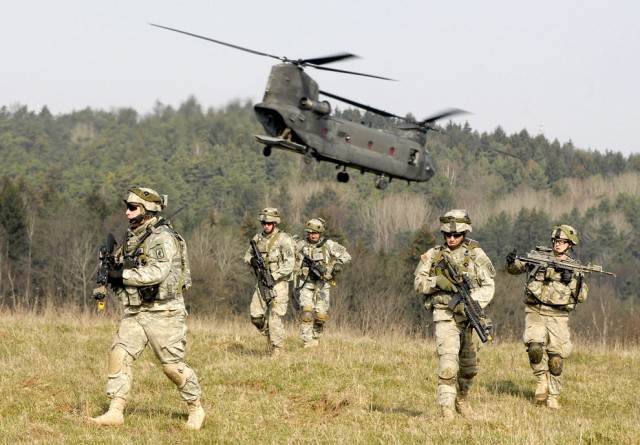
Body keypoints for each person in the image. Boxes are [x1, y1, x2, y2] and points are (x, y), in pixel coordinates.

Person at [87, 187, 205, 430]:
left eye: (132, 208)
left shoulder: (162, 237)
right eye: (127, 207)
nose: (126, 213)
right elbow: (121, 268)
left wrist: (122, 275)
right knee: (119, 353)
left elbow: (157, 273)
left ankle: (196, 408)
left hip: (164, 312)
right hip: (137, 311)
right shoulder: (135, 236)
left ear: (147, 210)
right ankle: (115, 411)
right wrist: (110, 274)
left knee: (171, 367)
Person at [414, 210, 495, 419]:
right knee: (448, 364)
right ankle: (447, 410)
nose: (452, 239)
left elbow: (488, 286)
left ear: (465, 234)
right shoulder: (433, 255)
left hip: (470, 315)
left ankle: (462, 399)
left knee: (469, 367)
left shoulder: (477, 255)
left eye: (457, 235)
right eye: (448, 235)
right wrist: (437, 282)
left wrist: (472, 302)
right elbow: (419, 284)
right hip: (445, 314)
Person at [506, 225, 589, 410]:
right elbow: (516, 269)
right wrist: (512, 262)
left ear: (570, 245)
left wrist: (572, 280)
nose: (559, 245)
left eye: (563, 242)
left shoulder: (574, 267)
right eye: (557, 241)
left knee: (556, 359)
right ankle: (541, 380)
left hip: (558, 316)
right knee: (535, 348)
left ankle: (553, 396)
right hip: (535, 310)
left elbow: (582, 296)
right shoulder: (539, 258)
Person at [243, 207, 295, 358]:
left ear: (275, 223)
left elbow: (289, 264)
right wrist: (252, 260)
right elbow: (247, 255)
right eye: (264, 222)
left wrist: (274, 275)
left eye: (269, 223)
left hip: (278, 283)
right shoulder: (257, 239)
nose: (266, 225)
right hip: (261, 283)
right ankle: (270, 337)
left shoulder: (284, 239)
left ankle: (277, 349)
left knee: (275, 316)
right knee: (255, 316)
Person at [294, 218, 351, 348]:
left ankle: (315, 338)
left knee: (320, 317)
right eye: (311, 232)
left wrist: (338, 263)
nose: (313, 235)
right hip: (306, 284)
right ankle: (307, 341)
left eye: (316, 233)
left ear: (320, 233)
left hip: (323, 285)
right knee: (307, 313)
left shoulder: (328, 245)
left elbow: (346, 255)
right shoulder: (301, 245)